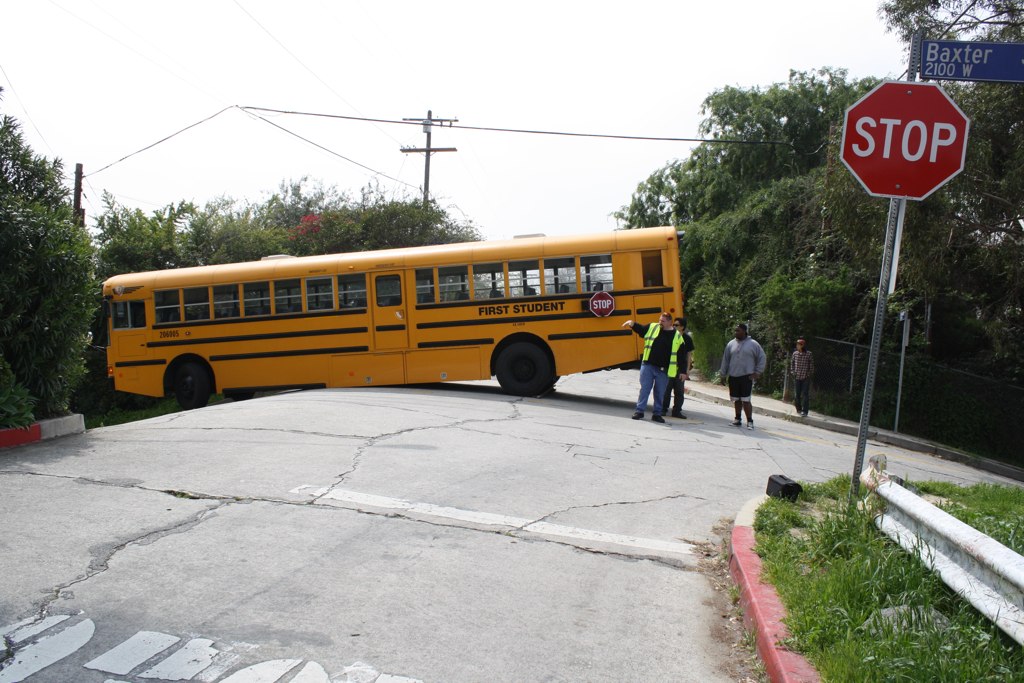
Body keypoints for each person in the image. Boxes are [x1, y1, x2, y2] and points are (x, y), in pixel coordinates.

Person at [622, 312, 688, 423]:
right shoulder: (653, 327)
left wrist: (682, 371)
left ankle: (657, 414)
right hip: (648, 365)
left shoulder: (677, 336)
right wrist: (632, 324)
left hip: (664, 370)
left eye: (662, 321)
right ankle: (639, 411)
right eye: (659, 320)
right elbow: (642, 330)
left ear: (669, 322)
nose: (660, 322)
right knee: (645, 390)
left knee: (660, 393)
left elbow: (681, 356)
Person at [720, 323, 766, 430]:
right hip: (733, 376)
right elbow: (725, 360)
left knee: (746, 400)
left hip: (746, 376)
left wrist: (757, 372)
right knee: (736, 399)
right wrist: (723, 374)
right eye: (735, 331)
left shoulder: (753, 344)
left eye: (738, 331)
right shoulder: (731, 344)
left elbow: (762, 358)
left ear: (744, 331)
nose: (736, 332)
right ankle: (737, 419)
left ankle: (750, 421)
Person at [661, 317, 695, 418]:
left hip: (680, 369)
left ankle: (677, 411)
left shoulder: (687, 339)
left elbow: (689, 355)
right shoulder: (669, 335)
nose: (674, 327)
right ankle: (663, 409)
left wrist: (687, 370)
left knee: (679, 391)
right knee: (666, 390)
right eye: (673, 325)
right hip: (669, 368)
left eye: (676, 325)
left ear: (682, 327)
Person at [790, 337, 814, 417]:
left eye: (798, 344)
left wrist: (808, 374)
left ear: (802, 345)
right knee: (797, 394)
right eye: (797, 344)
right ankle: (798, 408)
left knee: (805, 394)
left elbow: (811, 365)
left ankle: (805, 411)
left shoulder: (808, 354)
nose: (797, 346)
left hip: (805, 377)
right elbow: (792, 363)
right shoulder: (795, 354)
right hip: (797, 377)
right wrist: (793, 371)